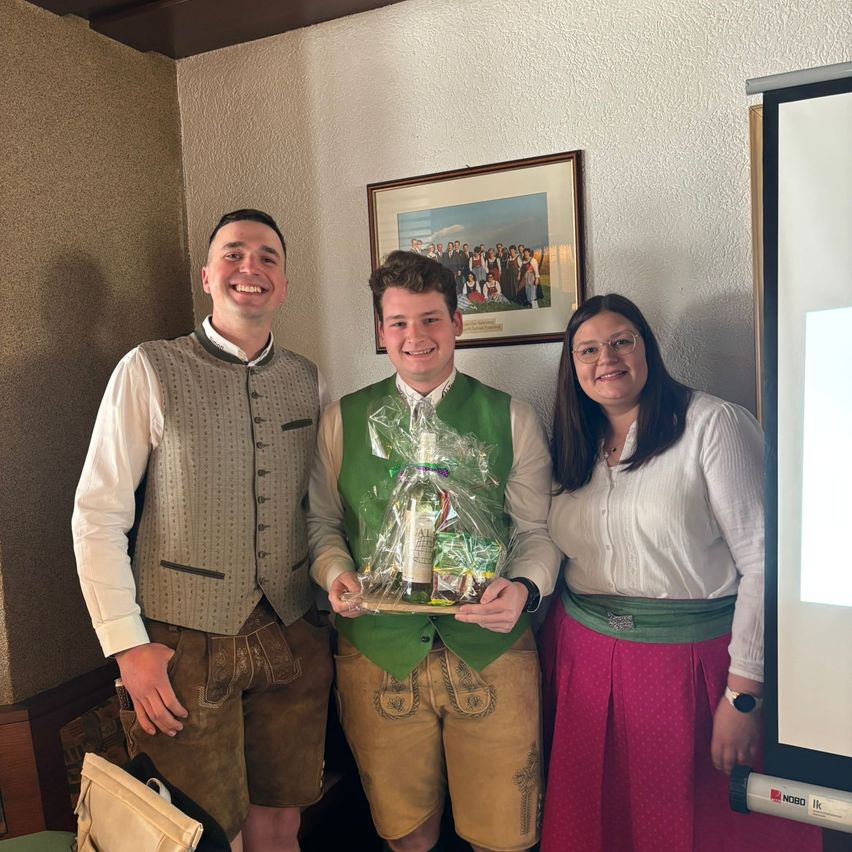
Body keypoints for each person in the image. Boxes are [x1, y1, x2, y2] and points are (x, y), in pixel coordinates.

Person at [72, 209, 333, 852]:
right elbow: (97, 515)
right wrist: (127, 647)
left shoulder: (310, 379)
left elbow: (321, 508)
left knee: (283, 820)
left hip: (292, 634)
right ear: (208, 276)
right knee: (201, 834)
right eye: (235, 255)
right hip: (182, 646)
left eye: (268, 257)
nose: (252, 268)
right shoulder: (149, 368)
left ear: (284, 282)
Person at [539, 293, 821, 852]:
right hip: (582, 662)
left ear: (648, 347)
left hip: (696, 668)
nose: (607, 359)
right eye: (588, 350)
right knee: (598, 821)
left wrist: (745, 696)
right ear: (573, 368)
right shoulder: (572, 442)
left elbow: (766, 562)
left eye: (622, 341)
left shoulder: (712, 425)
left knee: (702, 826)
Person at [308, 250, 560, 852]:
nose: (415, 336)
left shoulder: (513, 417)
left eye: (430, 319)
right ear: (379, 332)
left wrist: (523, 590)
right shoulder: (341, 421)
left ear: (457, 324)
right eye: (399, 322)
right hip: (377, 653)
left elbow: (536, 533)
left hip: (492, 650)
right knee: (405, 837)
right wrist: (337, 574)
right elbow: (322, 525)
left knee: (506, 839)